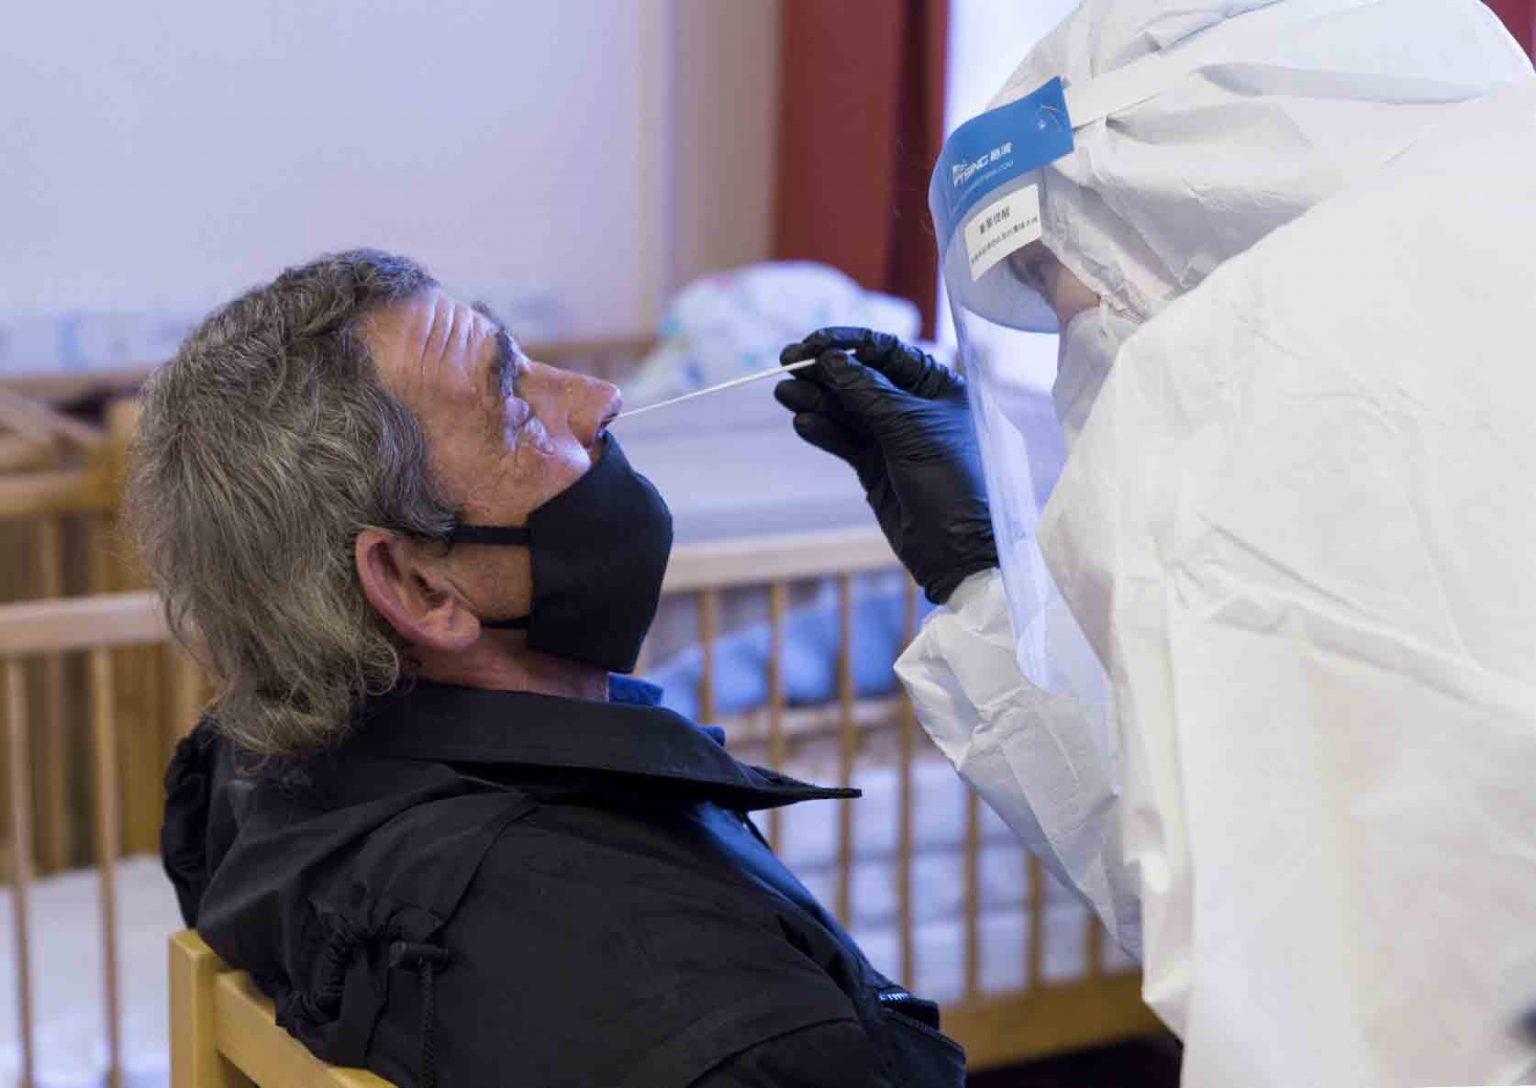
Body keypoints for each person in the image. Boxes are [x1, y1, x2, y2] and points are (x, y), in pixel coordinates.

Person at [775, 1, 1536, 1085]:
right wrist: (986, 583)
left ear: (1175, 202)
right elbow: (1245, 870)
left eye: (1055, 286)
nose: (1077, 342)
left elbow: (1283, 952)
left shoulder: (1232, 428)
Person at [135, 250, 964, 1088]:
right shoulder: (697, 988)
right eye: (513, 409)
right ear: (419, 586)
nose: (601, 397)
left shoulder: (245, 784)